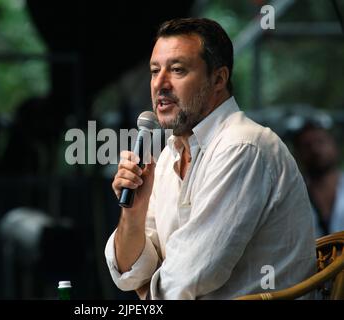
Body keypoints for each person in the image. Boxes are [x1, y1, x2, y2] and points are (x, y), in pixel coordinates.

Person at [104, 18, 317, 299]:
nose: (160, 84)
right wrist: (133, 213)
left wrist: (147, 292)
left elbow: (192, 275)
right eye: (155, 71)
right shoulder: (168, 157)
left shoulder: (242, 147)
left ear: (218, 79)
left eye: (177, 70)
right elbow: (130, 272)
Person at [293, 121, 344, 237]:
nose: (315, 149)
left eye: (321, 142)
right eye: (307, 145)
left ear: (335, 146)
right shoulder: (292, 194)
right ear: (297, 153)